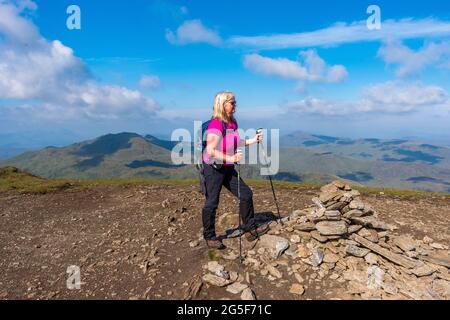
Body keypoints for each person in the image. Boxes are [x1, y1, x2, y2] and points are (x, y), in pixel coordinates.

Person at [202, 91, 270, 250]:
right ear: (223, 104)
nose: (235, 105)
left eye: (235, 102)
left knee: (246, 194)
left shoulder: (232, 122)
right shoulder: (216, 124)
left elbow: (234, 141)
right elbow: (211, 150)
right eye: (232, 102)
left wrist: (253, 140)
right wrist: (231, 158)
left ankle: (250, 230)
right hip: (213, 168)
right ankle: (210, 237)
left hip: (226, 167)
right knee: (212, 202)